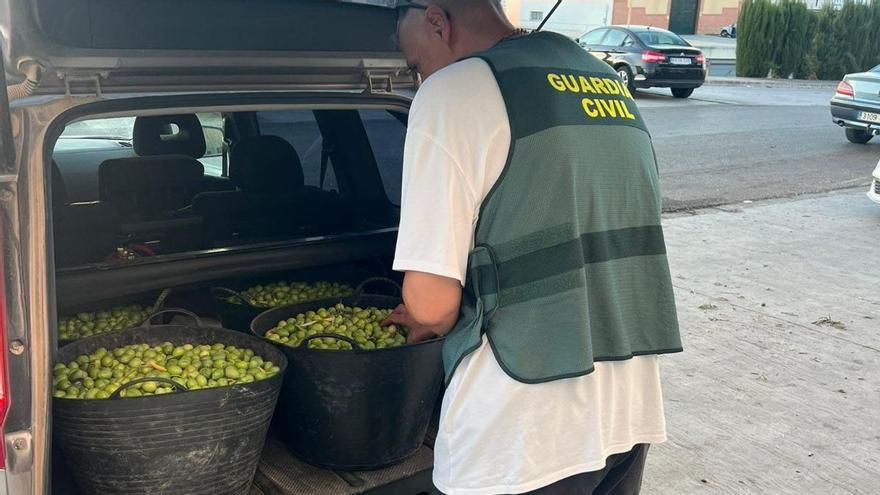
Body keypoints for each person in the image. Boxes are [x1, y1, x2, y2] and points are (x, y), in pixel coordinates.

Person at [383, 1, 683, 494]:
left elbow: (432, 306)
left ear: (437, 21)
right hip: (627, 409)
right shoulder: (604, 79)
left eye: (415, 66)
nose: (419, 79)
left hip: (522, 431)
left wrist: (417, 318)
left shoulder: (453, 91)